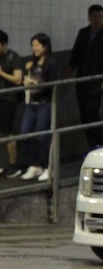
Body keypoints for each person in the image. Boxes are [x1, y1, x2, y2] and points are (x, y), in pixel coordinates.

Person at [68, 4, 103, 151]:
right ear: (89, 17)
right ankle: (92, 145)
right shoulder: (83, 33)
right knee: (84, 113)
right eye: (95, 17)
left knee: (91, 110)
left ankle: (98, 143)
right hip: (82, 78)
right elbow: (75, 54)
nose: (97, 20)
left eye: (100, 17)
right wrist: (70, 72)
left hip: (97, 80)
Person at [19, 33, 58, 182]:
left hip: (45, 103)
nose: (33, 48)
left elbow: (53, 84)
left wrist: (36, 85)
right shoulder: (32, 64)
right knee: (25, 133)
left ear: (45, 47)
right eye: (32, 45)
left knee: (43, 136)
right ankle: (35, 165)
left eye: (36, 45)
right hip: (32, 103)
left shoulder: (50, 63)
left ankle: (49, 168)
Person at [0, 30, 25, 178]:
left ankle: (13, 164)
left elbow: (17, 79)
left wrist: (2, 74)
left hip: (9, 99)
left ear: (4, 45)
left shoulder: (13, 57)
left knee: (7, 132)